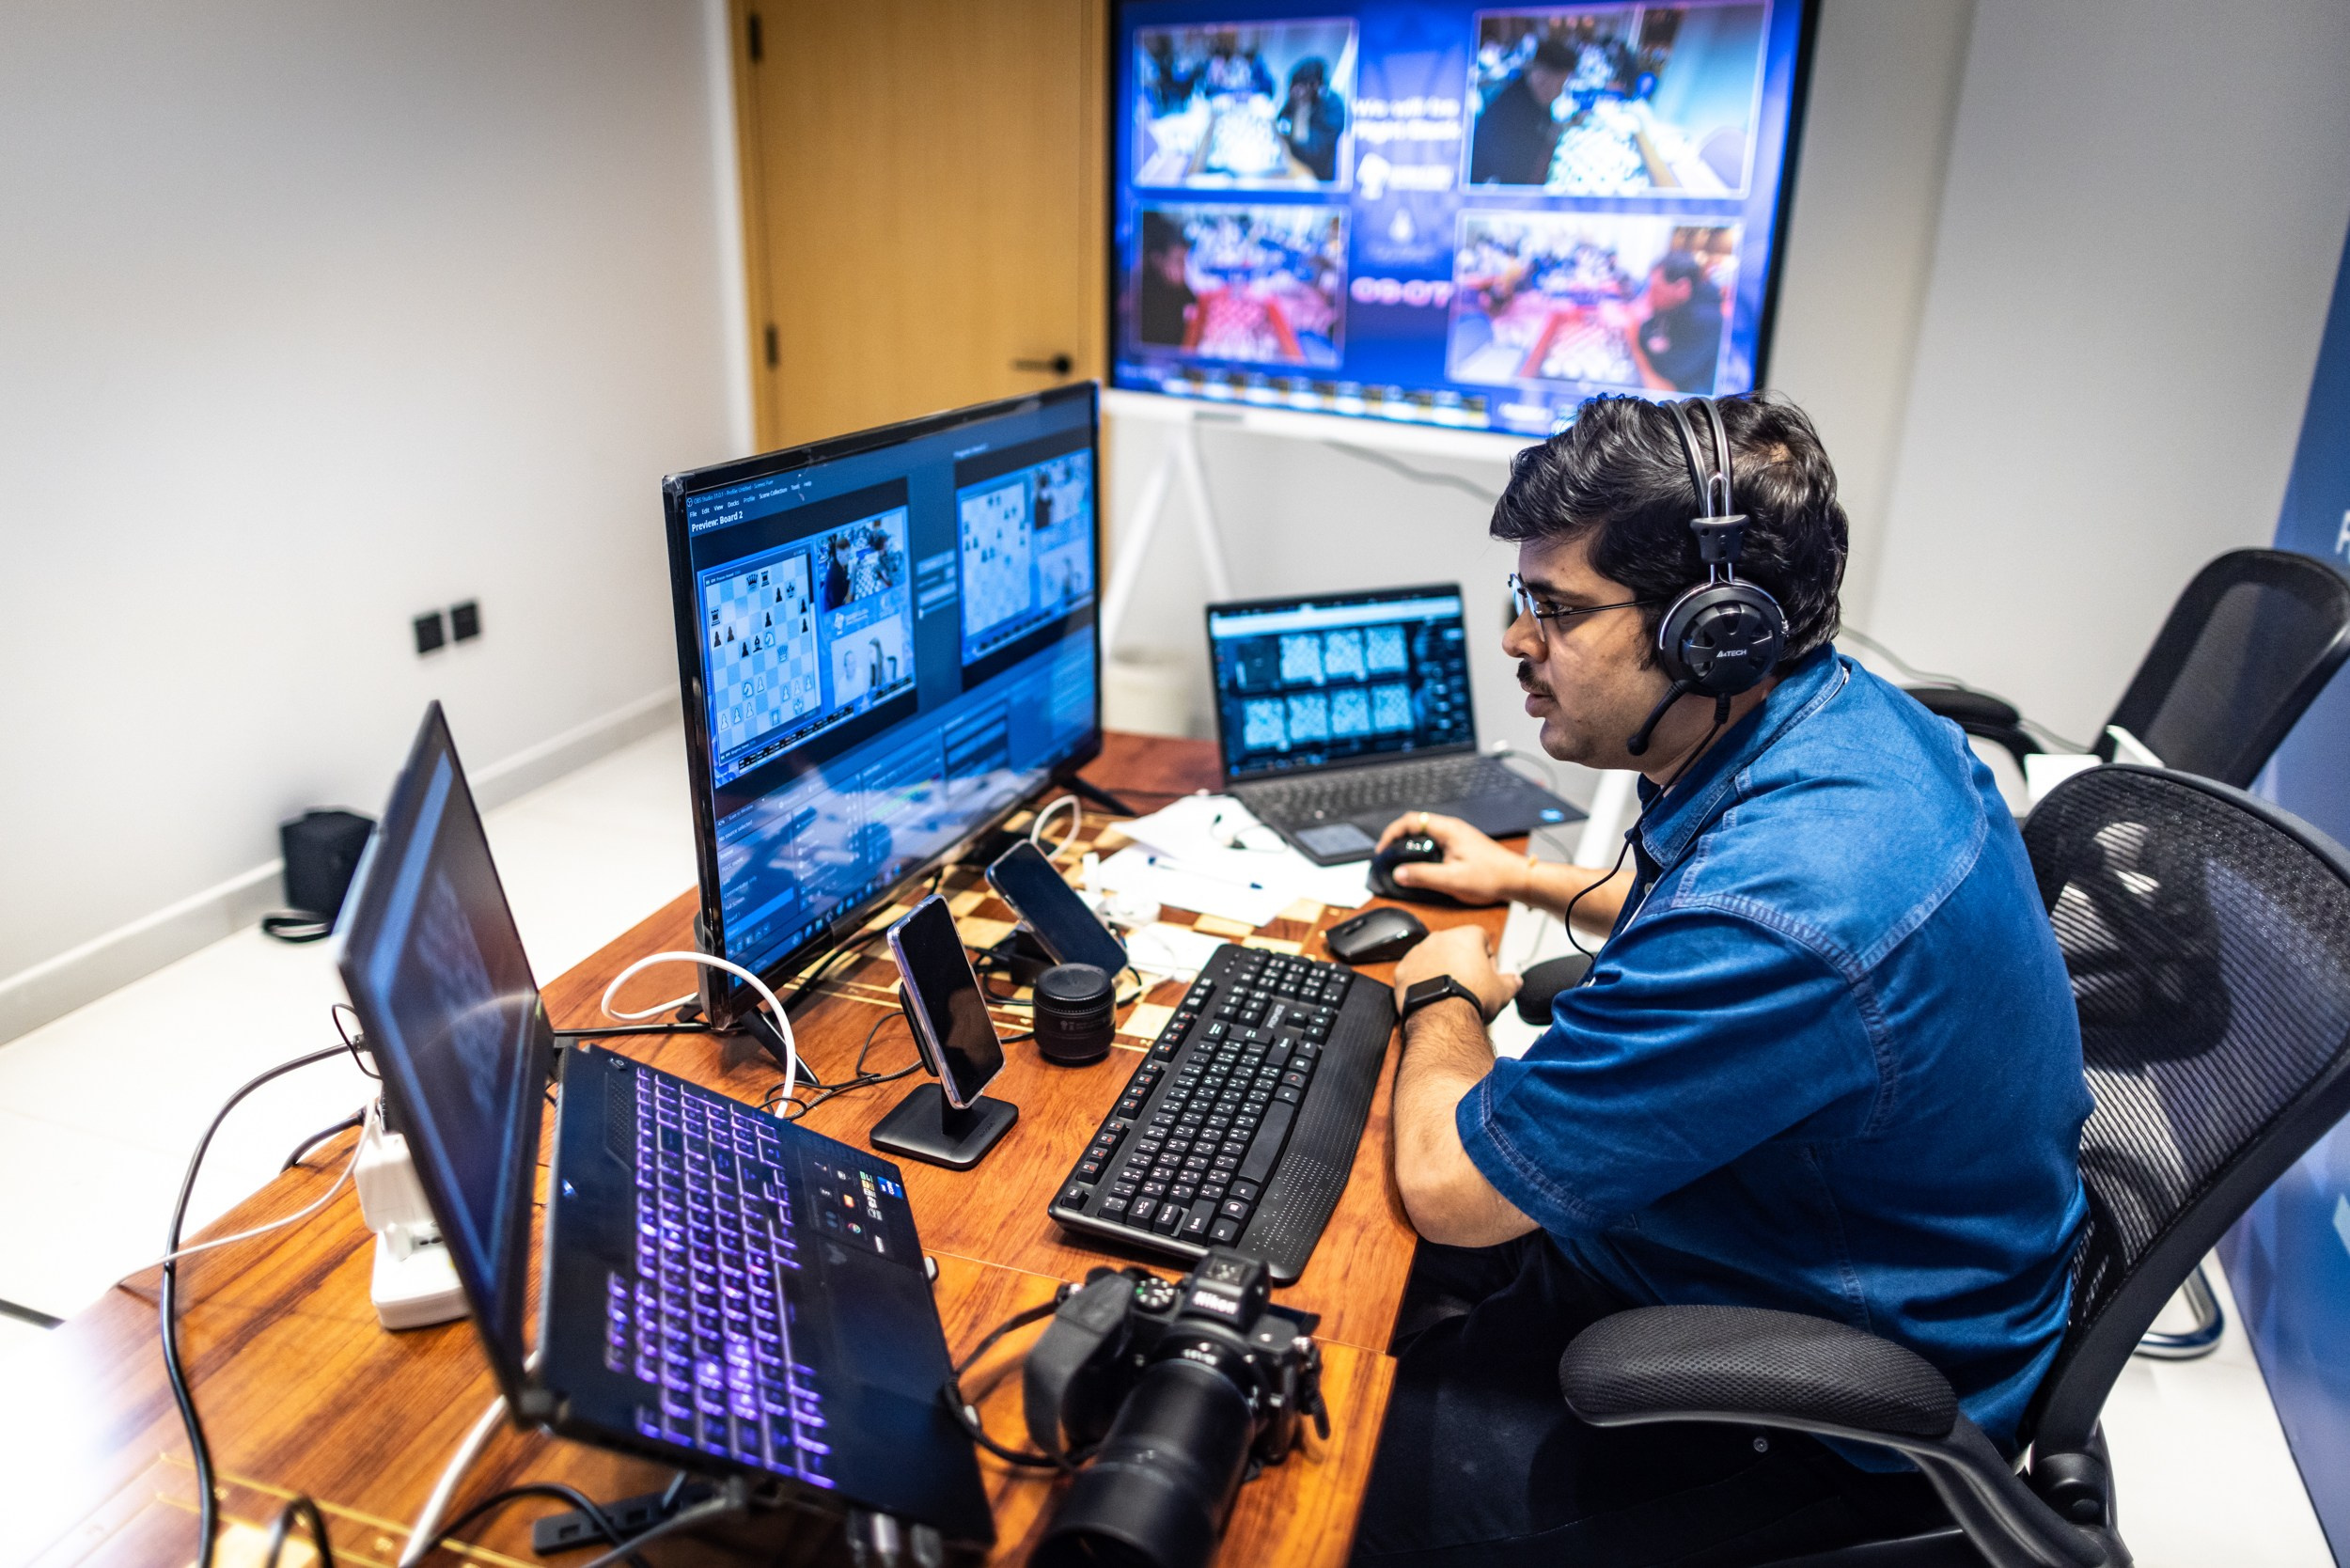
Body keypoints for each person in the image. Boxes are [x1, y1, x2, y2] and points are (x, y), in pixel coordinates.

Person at [1351, 393, 2092, 1567]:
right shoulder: (1847, 726)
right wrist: (1525, 881)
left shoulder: (1792, 905)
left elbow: (1453, 1188)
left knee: (1307, 1484)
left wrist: (1442, 997)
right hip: (1842, 1263)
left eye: (1553, 608)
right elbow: (1701, 922)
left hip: (1812, 1406)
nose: (1513, 641)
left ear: (1713, 630)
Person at [1468, 38, 1575, 187]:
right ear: (1537, 73)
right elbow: (1517, 180)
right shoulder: (1511, 111)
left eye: (1561, 86)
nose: (1557, 93)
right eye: (1554, 85)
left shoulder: (1535, 98)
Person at [1627, 249, 1726, 393]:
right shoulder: (1672, 306)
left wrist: (1632, 336)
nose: (1649, 295)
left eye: (1656, 289)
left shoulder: (1704, 321)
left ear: (1682, 287)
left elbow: (1664, 388)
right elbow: (1651, 336)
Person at [1276, 56, 1347, 182]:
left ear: (1315, 85)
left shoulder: (1332, 106)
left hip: (1319, 178)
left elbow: (1308, 148)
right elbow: (1281, 125)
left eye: (1301, 87)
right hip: (1292, 167)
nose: (1296, 92)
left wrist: (1302, 108)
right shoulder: (1294, 101)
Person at [1136, 212, 1197, 348]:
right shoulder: (1139, 298)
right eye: (1178, 261)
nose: (1185, 269)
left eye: (1188, 261)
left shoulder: (1190, 293)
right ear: (1157, 259)